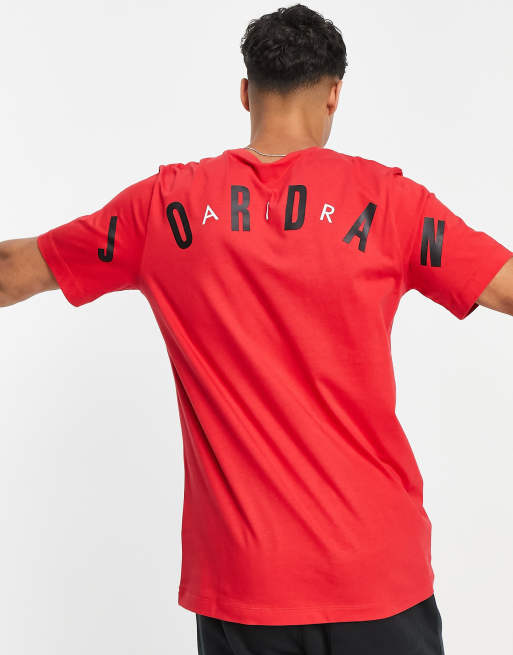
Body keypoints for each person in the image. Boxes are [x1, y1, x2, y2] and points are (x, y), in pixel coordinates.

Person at [2, 3, 512, 654]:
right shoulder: (389, 203)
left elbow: (11, 272)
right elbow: (504, 286)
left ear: (246, 91)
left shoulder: (163, 207)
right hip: (376, 573)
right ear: (334, 93)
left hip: (246, 581)